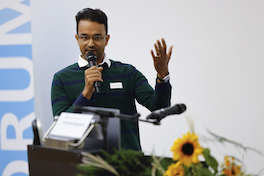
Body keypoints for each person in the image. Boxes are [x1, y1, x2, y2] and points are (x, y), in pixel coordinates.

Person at [51, 8, 173, 150]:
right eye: (84, 37)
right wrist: (86, 93)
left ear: (106, 39)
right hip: (85, 166)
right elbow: (61, 129)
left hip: (128, 163)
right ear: (77, 39)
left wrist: (162, 76)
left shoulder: (128, 73)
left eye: (97, 37)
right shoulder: (62, 78)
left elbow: (159, 107)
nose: (90, 43)